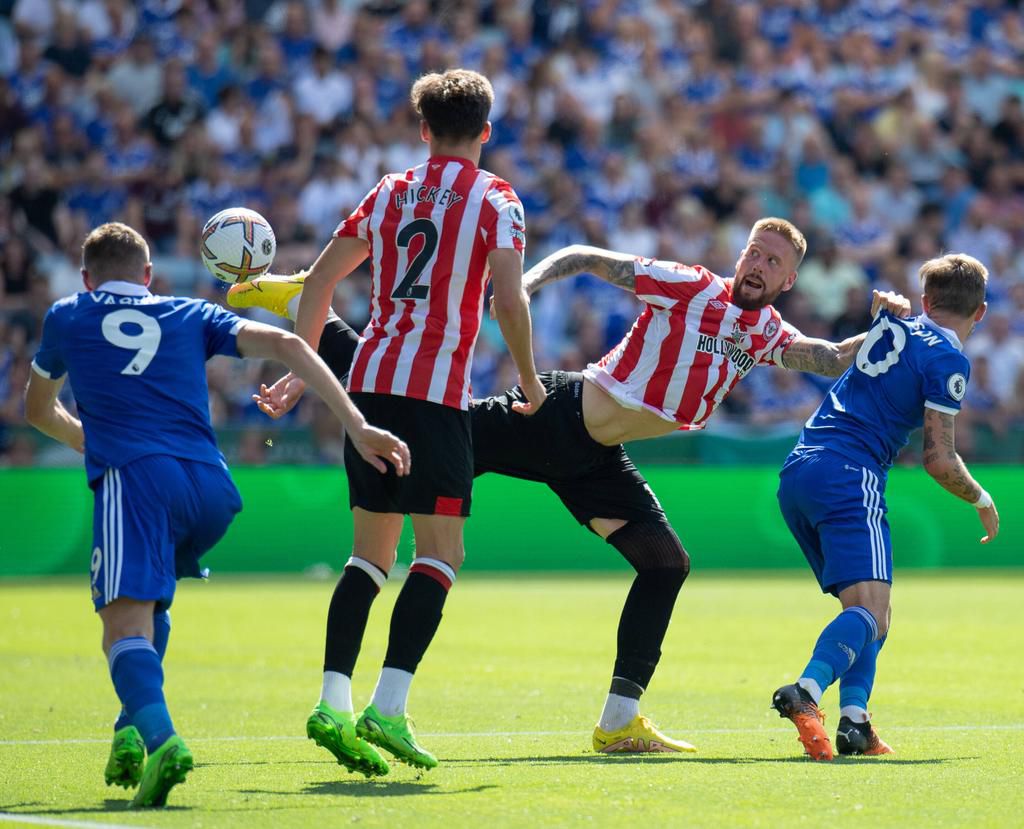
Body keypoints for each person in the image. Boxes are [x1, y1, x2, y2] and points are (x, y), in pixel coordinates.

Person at [240, 217, 910, 755]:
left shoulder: (765, 332)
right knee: (419, 426)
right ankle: (312, 312)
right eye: (754, 252)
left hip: (595, 458)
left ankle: (619, 720)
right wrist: (526, 280)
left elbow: (823, 357)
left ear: (789, 279)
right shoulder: (691, 285)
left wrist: (886, 328)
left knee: (666, 562)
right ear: (740, 255)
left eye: (772, 262)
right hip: (554, 415)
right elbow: (590, 257)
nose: (758, 265)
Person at [24, 222, 410, 807]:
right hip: (210, 487)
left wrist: (88, 438)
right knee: (153, 603)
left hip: (135, 477)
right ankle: (128, 728)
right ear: (149, 277)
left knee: (120, 628)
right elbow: (293, 346)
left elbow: (36, 410)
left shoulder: (68, 314)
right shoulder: (188, 313)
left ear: (86, 277)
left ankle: (161, 740)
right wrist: (357, 426)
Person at [229, 69, 544, 774]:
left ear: (424, 130)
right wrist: (527, 378)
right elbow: (508, 301)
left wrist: (298, 371)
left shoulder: (390, 190)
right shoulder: (497, 199)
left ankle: (331, 699)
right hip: (435, 399)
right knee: (440, 554)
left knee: (369, 556)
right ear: (486, 132)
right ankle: (388, 707)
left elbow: (317, 281)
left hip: (369, 386)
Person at [771, 253, 999, 760]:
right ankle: (806, 692)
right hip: (851, 474)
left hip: (801, 468)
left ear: (925, 300)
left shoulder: (894, 325)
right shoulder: (948, 358)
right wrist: (981, 499)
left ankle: (856, 722)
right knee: (870, 614)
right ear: (979, 312)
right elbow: (939, 459)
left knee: (872, 612)